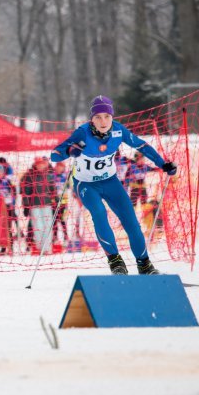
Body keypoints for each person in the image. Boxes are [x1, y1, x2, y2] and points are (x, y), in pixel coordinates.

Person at [51, 95, 176, 275]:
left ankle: (144, 264)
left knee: (131, 221)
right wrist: (70, 151)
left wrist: (162, 164)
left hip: (110, 182)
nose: (103, 121)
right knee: (99, 213)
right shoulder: (82, 132)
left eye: (107, 116)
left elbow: (141, 146)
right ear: (92, 119)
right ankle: (115, 262)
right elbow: (55, 155)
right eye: (98, 117)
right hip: (86, 184)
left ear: (112, 117)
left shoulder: (118, 130)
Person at [21, 156, 56, 255]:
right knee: (38, 226)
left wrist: (56, 199)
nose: (40, 166)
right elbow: (25, 192)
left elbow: (53, 189)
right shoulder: (29, 176)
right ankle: (40, 247)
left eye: (42, 164)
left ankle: (47, 247)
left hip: (46, 204)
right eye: (39, 164)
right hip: (34, 205)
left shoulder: (48, 176)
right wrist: (26, 205)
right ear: (35, 165)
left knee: (48, 226)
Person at [52, 161, 70, 243]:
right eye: (58, 166)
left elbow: (69, 187)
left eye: (61, 167)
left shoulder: (65, 177)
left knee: (62, 220)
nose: (59, 168)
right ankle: (55, 237)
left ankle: (66, 237)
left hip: (63, 202)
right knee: (54, 221)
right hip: (54, 202)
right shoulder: (52, 176)